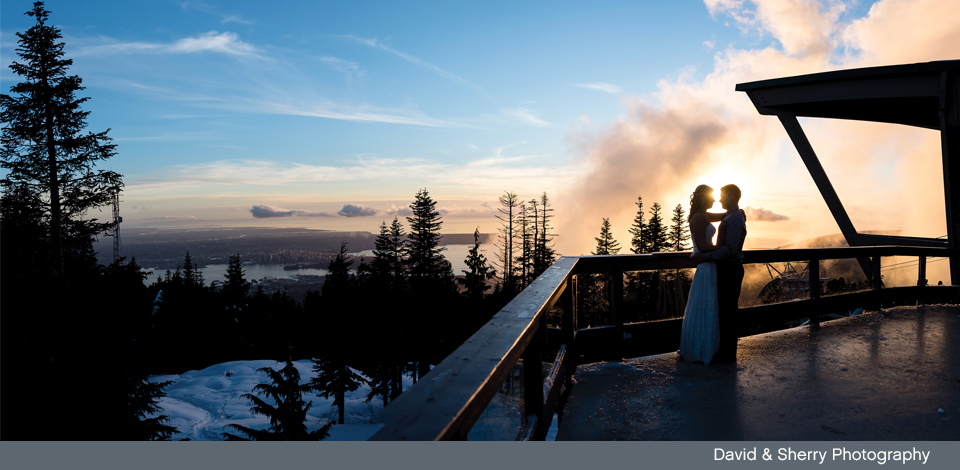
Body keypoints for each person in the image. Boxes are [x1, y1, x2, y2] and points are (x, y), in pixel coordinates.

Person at [700, 184, 747, 363]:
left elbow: (729, 248)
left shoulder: (734, 219)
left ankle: (727, 355)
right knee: (726, 311)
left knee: (727, 312)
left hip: (730, 268)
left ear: (732, 197)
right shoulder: (733, 215)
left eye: (722, 196)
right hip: (728, 268)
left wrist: (707, 256)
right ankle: (726, 352)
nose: (719, 199)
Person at [678, 185, 722, 364]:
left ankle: (707, 344)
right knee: (703, 304)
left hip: (709, 263)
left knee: (707, 304)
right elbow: (702, 246)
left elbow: (719, 216)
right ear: (704, 198)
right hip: (704, 264)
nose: (714, 200)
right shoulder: (698, 217)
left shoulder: (703, 215)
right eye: (711, 197)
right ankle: (700, 346)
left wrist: (737, 213)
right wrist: (725, 248)